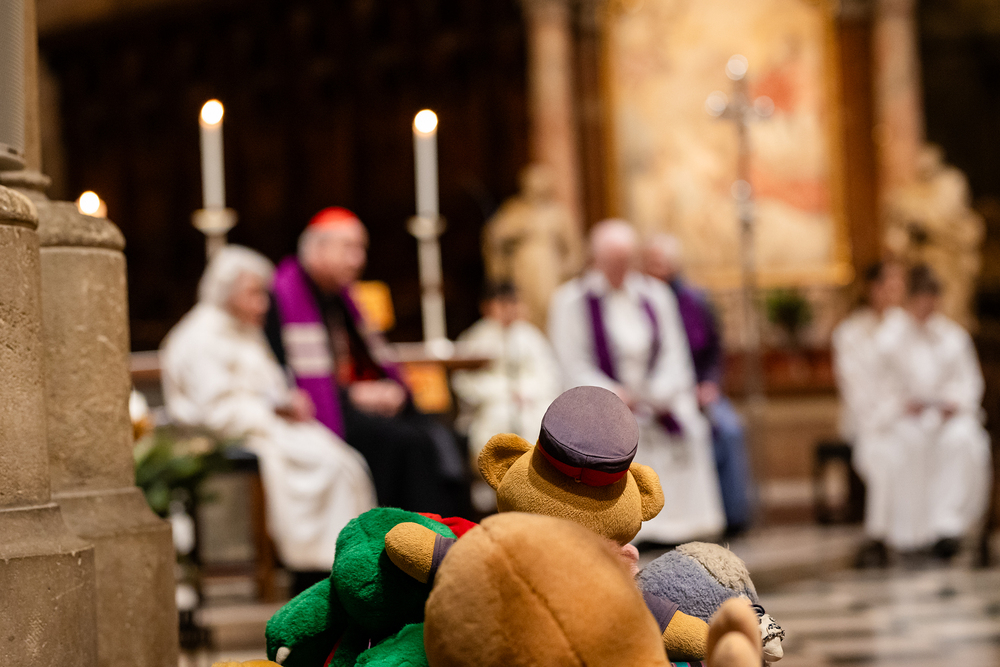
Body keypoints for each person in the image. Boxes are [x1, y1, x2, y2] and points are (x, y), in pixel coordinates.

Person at [160, 245, 377, 584]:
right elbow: (213, 410)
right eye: (254, 293)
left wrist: (286, 400)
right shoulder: (202, 336)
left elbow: (265, 385)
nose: (263, 304)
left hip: (266, 423)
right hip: (233, 432)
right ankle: (315, 567)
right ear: (227, 290)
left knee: (348, 461)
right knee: (328, 466)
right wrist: (276, 409)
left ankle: (350, 560)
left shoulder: (241, 329)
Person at [264, 207, 467, 517]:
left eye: (361, 249)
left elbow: (367, 359)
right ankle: (407, 534)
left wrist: (387, 389)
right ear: (318, 248)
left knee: (442, 434)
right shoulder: (281, 297)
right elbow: (280, 378)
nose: (358, 259)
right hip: (319, 413)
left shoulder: (339, 297)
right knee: (404, 443)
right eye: (349, 248)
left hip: (352, 404)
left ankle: (452, 530)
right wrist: (354, 395)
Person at [548, 219, 726, 545]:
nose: (620, 269)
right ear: (596, 259)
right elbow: (571, 364)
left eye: (625, 261)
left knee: (691, 428)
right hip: (603, 403)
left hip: (656, 399)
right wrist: (616, 395)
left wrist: (656, 394)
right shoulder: (571, 300)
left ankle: (684, 526)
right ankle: (628, 528)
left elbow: (675, 355)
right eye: (612, 261)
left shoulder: (655, 295)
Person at [854, 264, 991, 562]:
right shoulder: (888, 339)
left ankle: (948, 527)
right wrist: (902, 405)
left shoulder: (953, 336)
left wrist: (953, 404)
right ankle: (910, 535)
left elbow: (969, 384)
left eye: (932, 300)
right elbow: (879, 390)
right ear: (910, 300)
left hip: (945, 418)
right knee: (906, 443)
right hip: (903, 419)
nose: (926, 307)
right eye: (920, 300)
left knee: (964, 439)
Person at [643, 233, 753, 534]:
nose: (655, 270)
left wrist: (709, 384)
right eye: (650, 263)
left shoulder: (696, 300)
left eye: (660, 263)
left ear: (674, 265)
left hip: (699, 386)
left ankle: (734, 515)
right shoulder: (643, 301)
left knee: (728, 429)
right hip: (660, 392)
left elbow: (715, 350)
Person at [451, 282, 563, 511]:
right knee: (497, 421)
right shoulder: (476, 336)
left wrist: (526, 391)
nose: (509, 310)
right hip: (493, 405)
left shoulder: (530, 336)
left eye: (513, 303)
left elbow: (548, 374)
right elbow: (464, 382)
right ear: (488, 307)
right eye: (502, 304)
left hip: (530, 403)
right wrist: (503, 392)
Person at [482, 164, 585, 329]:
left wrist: (567, 271)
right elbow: (494, 236)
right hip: (522, 269)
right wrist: (514, 233)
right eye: (531, 185)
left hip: (550, 269)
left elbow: (573, 248)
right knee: (524, 309)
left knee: (550, 308)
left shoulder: (558, 213)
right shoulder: (514, 209)